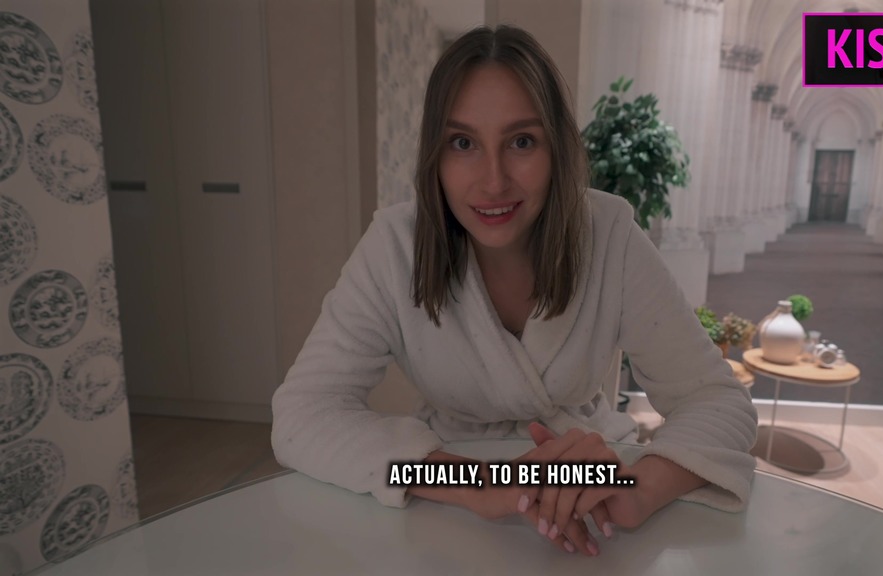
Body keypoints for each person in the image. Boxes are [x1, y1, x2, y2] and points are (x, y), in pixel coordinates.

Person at [271, 24, 757, 557]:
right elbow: (302, 413)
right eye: (463, 143)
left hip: (590, 495)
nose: (494, 181)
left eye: (521, 142)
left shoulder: (609, 235)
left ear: (556, 148)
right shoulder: (394, 248)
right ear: (434, 154)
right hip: (446, 492)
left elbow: (717, 401)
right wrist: (480, 484)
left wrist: (633, 489)